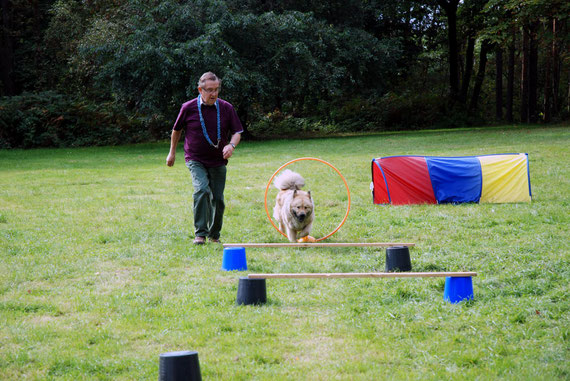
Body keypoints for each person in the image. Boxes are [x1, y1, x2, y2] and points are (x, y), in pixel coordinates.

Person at [166, 72, 243, 244]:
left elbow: (237, 131)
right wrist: (172, 152)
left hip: (218, 160)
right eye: (209, 90)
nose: (213, 94)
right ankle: (200, 234)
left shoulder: (226, 108)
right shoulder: (188, 107)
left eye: (216, 90)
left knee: (218, 199)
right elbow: (176, 130)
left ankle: (214, 235)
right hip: (195, 158)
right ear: (200, 89)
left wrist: (231, 145)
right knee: (201, 190)